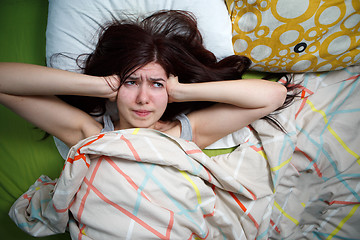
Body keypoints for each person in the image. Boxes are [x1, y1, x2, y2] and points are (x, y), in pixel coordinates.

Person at [0, 10, 289, 153]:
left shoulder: (186, 135)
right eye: (130, 82)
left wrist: (182, 92)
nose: (142, 98)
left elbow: (273, 95)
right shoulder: (92, 135)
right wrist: (98, 86)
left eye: (156, 84)